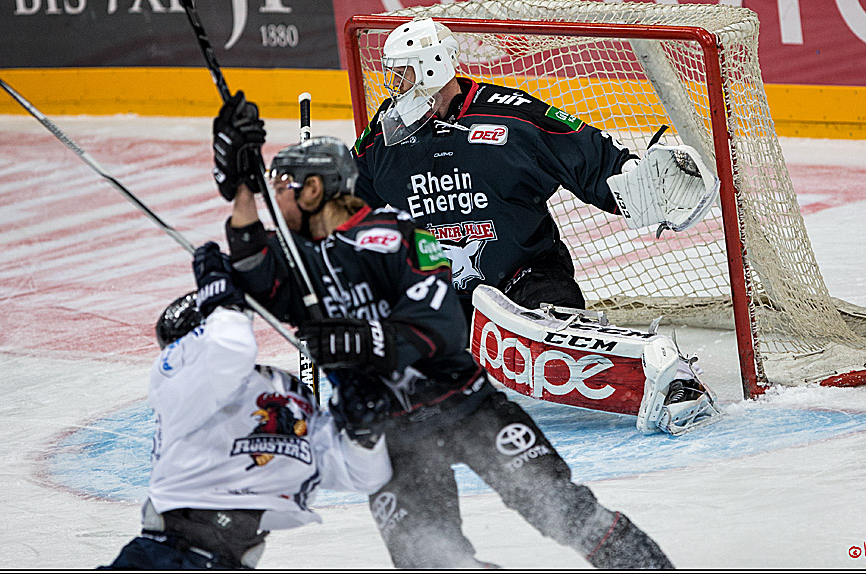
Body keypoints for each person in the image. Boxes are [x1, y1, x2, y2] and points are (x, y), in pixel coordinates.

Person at [207, 108, 674, 568]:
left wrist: (359, 342)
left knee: (570, 514)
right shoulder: (300, 261)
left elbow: (439, 329)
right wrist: (242, 189)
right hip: (393, 440)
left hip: (467, 409)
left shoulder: (400, 238)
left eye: (281, 187)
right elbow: (255, 271)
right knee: (432, 561)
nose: (276, 198)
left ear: (313, 191)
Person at [351, 17, 719, 317]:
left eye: (403, 74)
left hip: (524, 277)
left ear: (431, 68)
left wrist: (643, 182)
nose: (394, 86)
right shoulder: (386, 133)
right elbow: (349, 199)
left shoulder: (511, 116)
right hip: (433, 287)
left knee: (557, 327)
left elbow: (583, 153)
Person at [102, 242, 392, 570]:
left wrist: (363, 433)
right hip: (167, 556)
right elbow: (229, 348)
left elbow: (361, 477)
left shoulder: (287, 389)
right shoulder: (176, 377)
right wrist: (222, 299)